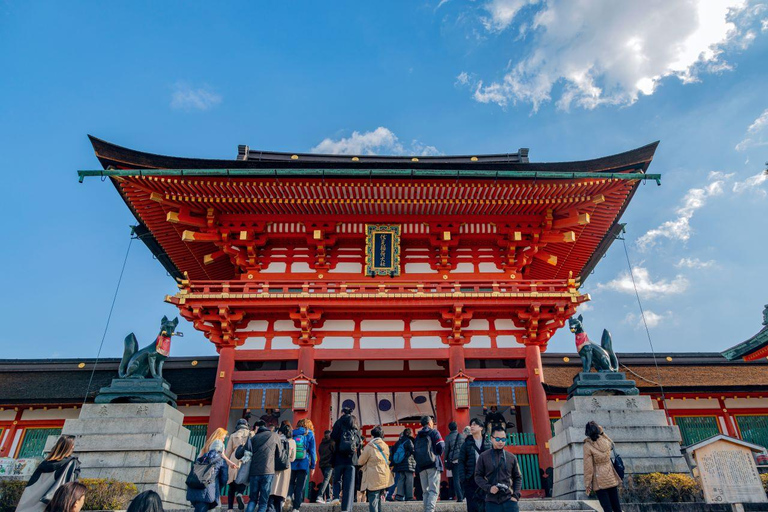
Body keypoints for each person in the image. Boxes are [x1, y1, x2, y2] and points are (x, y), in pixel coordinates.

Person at [16, 435, 81, 512]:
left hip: (30, 503)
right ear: (70, 447)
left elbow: (31, 484)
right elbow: (71, 485)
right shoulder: (71, 463)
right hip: (52, 503)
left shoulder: (45, 463)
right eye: (73, 445)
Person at [237, 419, 282, 512]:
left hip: (254, 472)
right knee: (263, 502)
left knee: (252, 500)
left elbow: (240, 454)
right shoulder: (275, 436)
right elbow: (280, 455)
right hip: (268, 471)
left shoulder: (253, 438)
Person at [474, 426, 522, 512]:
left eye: (503, 439)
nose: (501, 442)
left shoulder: (511, 457)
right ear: (491, 439)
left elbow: (518, 477)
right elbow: (478, 476)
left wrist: (516, 495)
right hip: (491, 501)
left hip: (509, 500)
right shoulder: (483, 456)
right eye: (498, 439)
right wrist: (489, 488)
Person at [583, 421, 622, 512]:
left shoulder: (587, 446)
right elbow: (612, 443)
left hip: (599, 479)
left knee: (607, 508)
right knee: (617, 507)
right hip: (610, 476)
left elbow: (588, 467)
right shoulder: (606, 441)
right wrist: (602, 433)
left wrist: (587, 483)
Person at [187, 432, 229, 512]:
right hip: (208, 491)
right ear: (221, 449)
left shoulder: (202, 457)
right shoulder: (220, 460)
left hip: (194, 489)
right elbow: (224, 478)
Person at [330, 407, 362, 512]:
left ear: (342, 412)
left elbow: (333, 436)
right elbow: (358, 440)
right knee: (349, 484)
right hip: (351, 459)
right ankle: (346, 508)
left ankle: (335, 497)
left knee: (337, 479)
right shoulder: (354, 423)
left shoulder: (338, 422)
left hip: (339, 457)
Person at [456, 418, 491, 512]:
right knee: (472, 506)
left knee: (485, 504)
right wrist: (463, 478)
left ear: (481, 427)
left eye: (475, 424)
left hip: (485, 479)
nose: (472, 426)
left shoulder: (488, 443)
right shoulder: (466, 444)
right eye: (471, 424)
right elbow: (461, 461)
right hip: (471, 478)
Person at [358, 426, 393, 512]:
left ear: (372, 435)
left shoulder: (369, 446)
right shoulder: (386, 446)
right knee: (379, 500)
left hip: (373, 477)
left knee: (373, 499)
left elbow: (360, 461)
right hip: (384, 476)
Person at [413, 416, 444, 512]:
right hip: (433, 464)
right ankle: (430, 510)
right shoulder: (434, 432)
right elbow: (441, 446)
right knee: (433, 490)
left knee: (425, 491)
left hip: (421, 466)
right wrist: (437, 454)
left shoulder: (418, 436)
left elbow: (415, 452)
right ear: (430, 423)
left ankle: (426, 510)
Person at [287, 419, 316, 512]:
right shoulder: (310, 434)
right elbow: (312, 451)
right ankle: (296, 507)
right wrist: (313, 466)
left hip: (292, 461)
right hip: (304, 462)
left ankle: (288, 496)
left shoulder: (293, 432)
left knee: (291, 482)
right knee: (300, 486)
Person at [226, 419, 254, 511]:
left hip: (234, 457)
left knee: (232, 484)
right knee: (243, 479)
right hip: (246, 458)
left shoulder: (233, 435)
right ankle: (240, 493)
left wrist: (228, 463)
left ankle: (230, 508)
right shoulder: (251, 434)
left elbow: (227, 452)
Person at [268, 424, 297, 512]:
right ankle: (279, 508)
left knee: (273, 489)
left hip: (274, 466)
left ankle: (270, 508)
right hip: (286, 467)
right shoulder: (292, 442)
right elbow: (293, 458)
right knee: (282, 490)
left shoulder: (276, 439)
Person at [389, 428, 415, 501]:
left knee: (401, 479)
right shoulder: (408, 441)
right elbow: (413, 450)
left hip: (399, 464)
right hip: (408, 464)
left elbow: (393, 451)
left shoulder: (398, 442)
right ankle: (409, 496)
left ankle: (399, 496)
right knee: (409, 479)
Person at [443, 421, 465, 502]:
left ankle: (459, 497)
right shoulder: (462, 436)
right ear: (457, 427)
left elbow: (446, 450)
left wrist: (445, 460)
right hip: (463, 460)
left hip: (454, 461)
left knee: (456, 479)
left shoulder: (448, 438)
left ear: (449, 429)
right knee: (463, 479)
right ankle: (464, 495)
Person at [316, 430, 334, 503]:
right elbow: (334, 452)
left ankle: (329, 497)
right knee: (326, 480)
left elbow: (319, 452)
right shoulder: (332, 443)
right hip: (329, 464)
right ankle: (319, 495)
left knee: (327, 480)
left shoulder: (321, 444)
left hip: (322, 464)